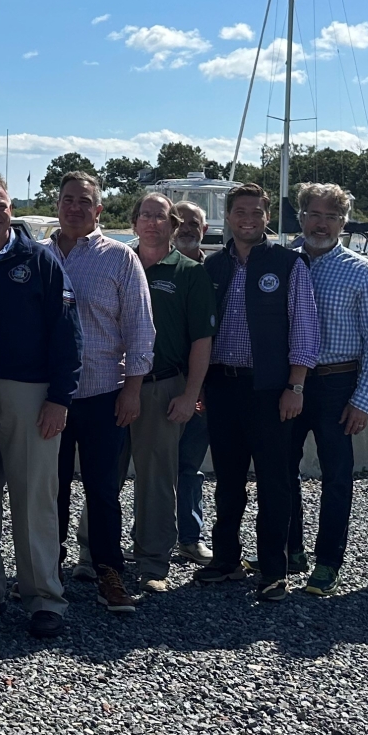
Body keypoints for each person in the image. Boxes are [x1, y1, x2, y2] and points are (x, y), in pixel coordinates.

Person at [0, 175, 83, 638]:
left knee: (34, 500)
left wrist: (60, 398)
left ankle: (44, 598)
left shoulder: (40, 260)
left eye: (0, 205)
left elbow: (68, 332)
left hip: (31, 393)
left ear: (12, 209)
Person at [197, 183, 318, 603]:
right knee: (227, 480)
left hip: (269, 390)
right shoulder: (213, 267)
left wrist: (295, 386)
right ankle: (226, 559)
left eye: (256, 212)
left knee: (274, 482)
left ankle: (272, 570)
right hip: (221, 386)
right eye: (240, 212)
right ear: (228, 216)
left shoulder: (288, 264)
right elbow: (201, 332)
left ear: (267, 217)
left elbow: (304, 329)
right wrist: (198, 386)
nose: (248, 219)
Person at [48, 171, 154, 616]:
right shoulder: (39, 256)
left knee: (103, 491)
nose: (75, 208)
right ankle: (46, 573)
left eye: (84, 201)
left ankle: (109, 572)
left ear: (99, 209)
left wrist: (133, 390)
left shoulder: (120, 258)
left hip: (103, 393)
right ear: (58, 204)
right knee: (49, 490)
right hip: (48, 397)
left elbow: (140, 329)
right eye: (68, 199)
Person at [283, 183, 368, 597]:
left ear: (343, 222)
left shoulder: (363, 272)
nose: (321, 223)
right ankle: (290, 551)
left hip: (337, 384)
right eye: (314, 214)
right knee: (281, 470)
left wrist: (362, 400)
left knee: (337, 477)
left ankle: (328, 562)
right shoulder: (283, 263)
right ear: (301, 217)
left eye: (331, 216)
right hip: (288, 383)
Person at [126, 193, 214, 592]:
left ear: (172, 226)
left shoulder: (189, 273)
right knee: (102, 474)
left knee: (157, 479)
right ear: (134, 222)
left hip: (161, 386)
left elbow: (202, 340)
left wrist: (190, 393)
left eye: (160, 216)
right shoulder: (118, 261)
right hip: (109, 385)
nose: (151, 222)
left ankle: (152, 562)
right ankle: (94, 558)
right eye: (145, 215)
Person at [170, 201, 214, 563]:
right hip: (159, 382)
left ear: (205, 228)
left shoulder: (216, 270)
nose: (186, 228)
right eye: (180, 222)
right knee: (154, 467)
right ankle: (146, 536)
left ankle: (189, 535)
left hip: (205, 385)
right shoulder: (150, 267)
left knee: (189, 465)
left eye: (193, 223)